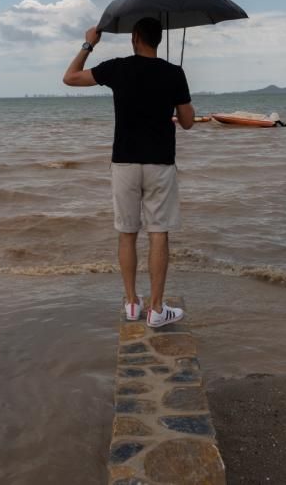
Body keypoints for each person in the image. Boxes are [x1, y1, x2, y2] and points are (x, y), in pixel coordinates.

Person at [62, 17, 195, 327]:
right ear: (158, 40)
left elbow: (70, 78)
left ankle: (133, 303)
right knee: (158, 233)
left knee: (127, 233)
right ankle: (157, 309)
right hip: (159, 163)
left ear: (135, 37)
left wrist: (89, 44)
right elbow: (188, 122)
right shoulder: (174, 73)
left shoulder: (118, 68)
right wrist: (176, 110)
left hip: (124, 162)